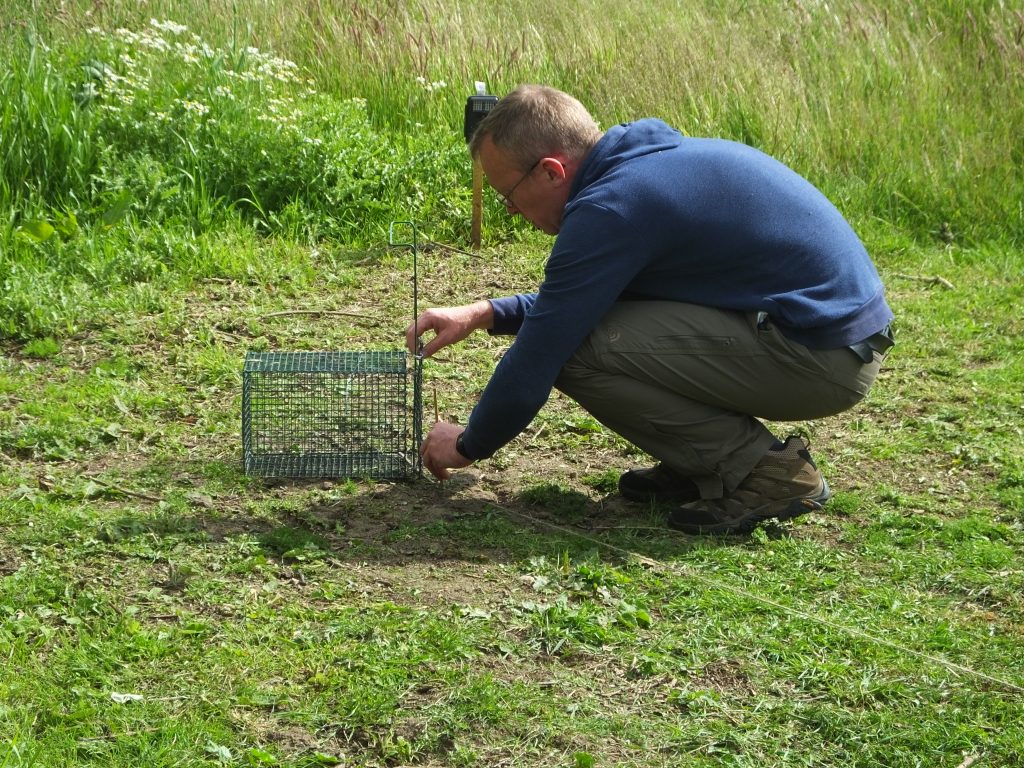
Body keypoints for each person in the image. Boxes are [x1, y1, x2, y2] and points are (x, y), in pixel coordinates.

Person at [405, 84, 893, 535]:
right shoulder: (642, 168)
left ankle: (768, 472)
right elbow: (578, 300)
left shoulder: (613, 207)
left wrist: (469, 443)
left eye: (508, 196)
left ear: (552, 171)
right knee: (593, 329)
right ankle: (702, 466)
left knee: (578, 350)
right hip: (829, 338)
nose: (511, 211)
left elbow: (545, 345)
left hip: (819, 357)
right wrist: (483, 312)